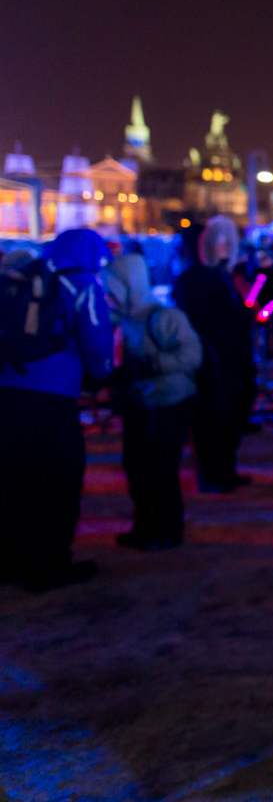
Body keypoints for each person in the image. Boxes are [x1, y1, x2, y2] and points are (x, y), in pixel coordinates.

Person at [0, 228, 113, 592]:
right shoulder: (82, 284)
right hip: (53, 398)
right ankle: (48, 565)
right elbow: (97, 344)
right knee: (56, 480)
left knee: (14, 478)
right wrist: (99, 378)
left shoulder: (22, 277)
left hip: (7, 392)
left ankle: (12, 559)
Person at [105, 252, 201, 551]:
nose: (110, 297)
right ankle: (144, 524)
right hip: (140, 403)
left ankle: (168, 528)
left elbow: (192, 356)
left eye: (115, 289)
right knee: (137, 468)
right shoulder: (123, 321)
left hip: (169, 402)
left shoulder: (164, 317)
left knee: (161, 468)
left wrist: (152, 365)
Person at [174, 216, 256, 491]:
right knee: (211, 419)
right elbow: (200, 323)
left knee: (229, 417)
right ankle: (213, 474)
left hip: (231, 357)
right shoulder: (194, 279)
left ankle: (225, 469)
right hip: (211, 359)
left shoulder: (221, 275)